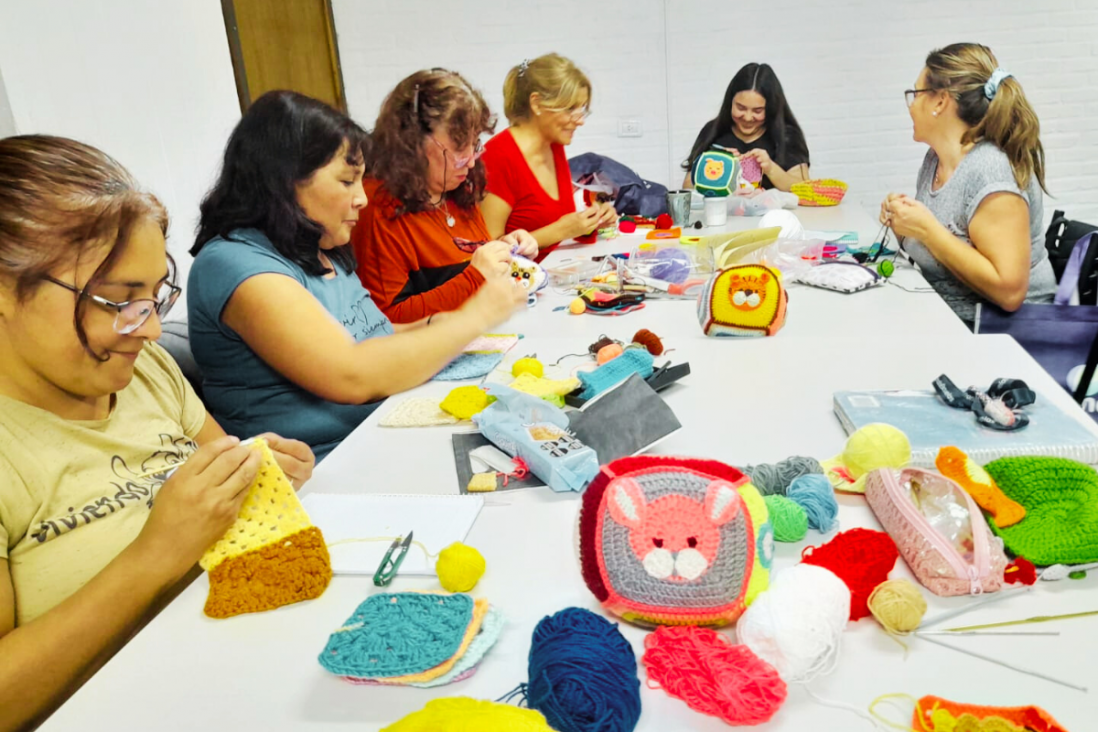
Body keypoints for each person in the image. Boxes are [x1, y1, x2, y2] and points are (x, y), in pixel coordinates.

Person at [0, 135, 314, 730]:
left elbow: (221, 476)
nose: (147, 330)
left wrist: (252, 472)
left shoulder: (143, 371)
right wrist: (155, 555)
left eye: (154, 296)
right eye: (118, 300)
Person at [188, 91, 526, 460]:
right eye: (347, 181)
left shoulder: (316, 247)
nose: (362, 198)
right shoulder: (234, 264)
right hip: (324, 467)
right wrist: (474, 317)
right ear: (286, 181)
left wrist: (445, 324)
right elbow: (352, 374)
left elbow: (373, 334)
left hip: (373, 436)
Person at [880, 43, 1056, 327]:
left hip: (1008, 336)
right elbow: (943, 247)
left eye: (916, 94)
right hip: (953, 320)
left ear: (940, 102)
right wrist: (905, 226)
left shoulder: (991, 172)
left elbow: (1009, 292)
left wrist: (926, 230)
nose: (911, 106)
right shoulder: (935, 160)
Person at [353, 68, 538, 324]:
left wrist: (506, 250)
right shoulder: (380, 207)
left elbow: (464, 263)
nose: (471, 162)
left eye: (475, 145)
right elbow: (387, 321)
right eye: (460, 149)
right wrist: (475, 277)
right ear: (412, 144)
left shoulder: (454, 187)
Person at [480, 53, 617, 260]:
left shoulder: (553, 145)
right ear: (536, 104)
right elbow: (488, 251)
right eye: (570, 109)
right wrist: (563, 230)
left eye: (581, 110)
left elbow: (553, 224)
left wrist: (592, 219)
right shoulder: (498, 157)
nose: (579, 121)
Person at [683, 63, 810, 192]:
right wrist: (720, 168)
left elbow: (803, 189)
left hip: (774, 212)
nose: (748, 118)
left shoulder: (787, 136)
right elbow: (688, 187)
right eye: (741, 108)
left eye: (758, 111)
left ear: (771, 108)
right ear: (730, 102)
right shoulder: (713, 131)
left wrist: (770, 168)